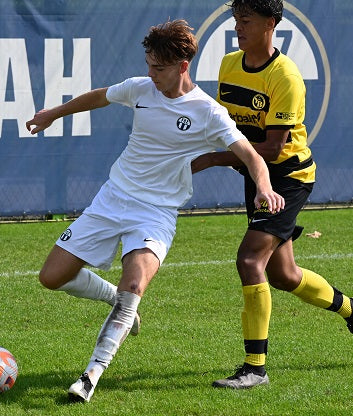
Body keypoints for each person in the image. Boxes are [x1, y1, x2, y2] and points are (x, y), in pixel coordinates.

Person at [26, 19, 284, 402]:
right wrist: (54, 114)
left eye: (159, 68)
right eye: (148, 64)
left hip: (156, 212)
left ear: (182, 66)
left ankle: (90, 376)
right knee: (51, 277)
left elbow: (250, 154)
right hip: (112, 198)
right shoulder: (141, 88)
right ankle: (113, 298)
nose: (151, 74)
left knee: (135, 287)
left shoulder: (207, 112)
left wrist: (264, 186)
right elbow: (99, 96)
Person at [192, 0, 353, 389]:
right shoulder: (230, 64)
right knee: (284, 274)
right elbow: (227, 127)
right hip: (254, 171)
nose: (237, 27)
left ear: (271, 23)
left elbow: (274, 148)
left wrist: (214, 158)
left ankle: (254, 369)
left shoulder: (286, 77)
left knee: (249, 260)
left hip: (287, 176)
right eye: (235, 20)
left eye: (245, 20)